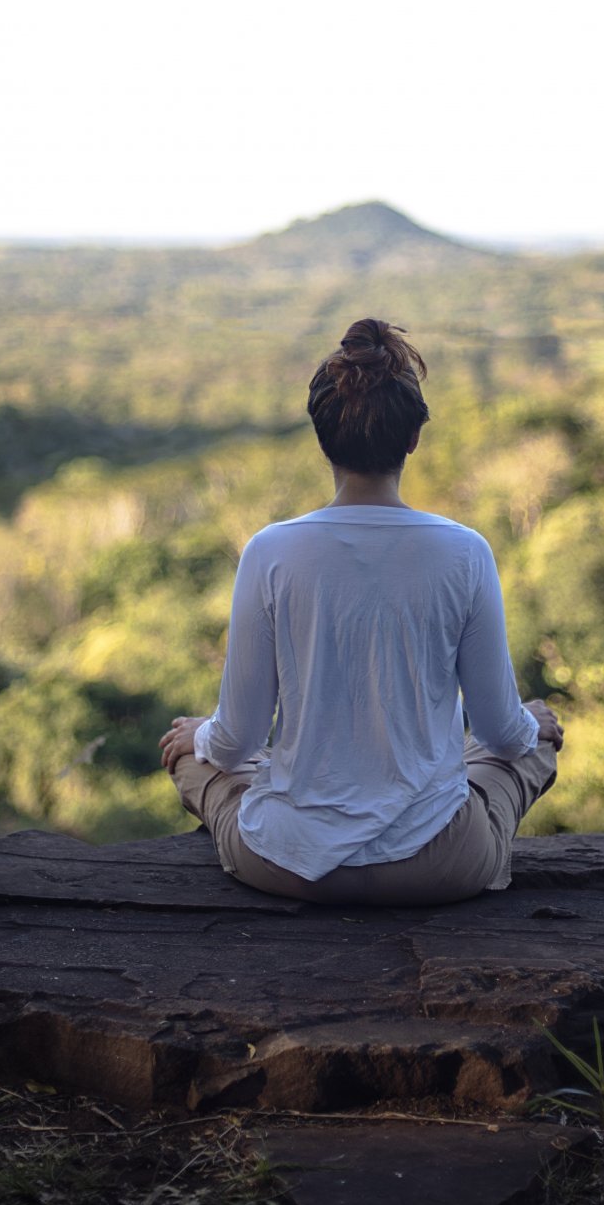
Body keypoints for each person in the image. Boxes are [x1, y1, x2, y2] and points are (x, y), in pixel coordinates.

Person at [159, 318, 563, 905]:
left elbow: (237, 741)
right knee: (532, 737)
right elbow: (500, 734)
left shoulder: (270, 551)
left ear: (322, 436)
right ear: (413, 438)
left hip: (289, 865)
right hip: (439, 866)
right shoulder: (465, 551)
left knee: (194, 756)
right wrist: (530, 724)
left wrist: (202, 734)